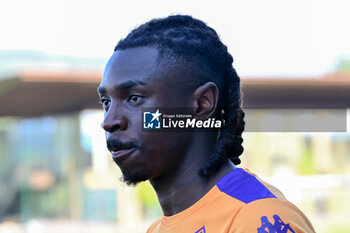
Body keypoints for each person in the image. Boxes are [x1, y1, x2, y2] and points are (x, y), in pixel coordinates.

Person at [97, 15, 316, 233]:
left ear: (202, 103)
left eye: (134, 98)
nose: (109, 122)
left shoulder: (257, 217)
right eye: (106, 102)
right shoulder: (156, 229)